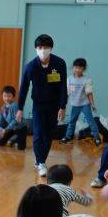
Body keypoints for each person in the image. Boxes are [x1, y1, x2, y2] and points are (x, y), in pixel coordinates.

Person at [17, 34, 67, 177]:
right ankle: (41, 162)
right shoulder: (31, 66)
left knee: (49, 134)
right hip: (38, 104)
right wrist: (20, 108)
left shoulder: (59, 63)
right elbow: (24, 88)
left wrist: (62, 106)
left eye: (46, 47)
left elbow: (63, 86)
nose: (43, 50)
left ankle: (41, 160)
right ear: (36, 49)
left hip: (54, 105)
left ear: (51, 48)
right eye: (40, 47)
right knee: (38, 132)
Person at [58, 58, 100, 146]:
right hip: (75, 105)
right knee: (72, 121)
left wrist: (92, 104)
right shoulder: (69, 79)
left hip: (85, 104)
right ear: (73, 67)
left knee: (90, 121)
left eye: (80, 68)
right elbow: (67, 93)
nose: (77, 70)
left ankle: (97, 137)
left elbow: (89, 93)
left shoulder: (86, 80)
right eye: (76, 67)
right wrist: (63, 106)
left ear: (83, 69)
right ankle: (68, 137)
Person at [0, 86, 28, 150]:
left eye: (9, 96)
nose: (6, 98)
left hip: (21, 128)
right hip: (11, 128)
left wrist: (5, 130)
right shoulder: (3, 108)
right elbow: (0, 120)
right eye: (4, 96)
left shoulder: (15, 105)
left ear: (13, 96)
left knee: (21, 148)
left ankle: (14, 140)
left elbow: (15, 120)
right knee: (0, 143)